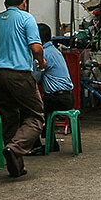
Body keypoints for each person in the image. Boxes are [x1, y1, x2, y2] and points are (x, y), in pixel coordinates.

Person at [0, 0, 46, 178]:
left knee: (9, 117)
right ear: (24, 2)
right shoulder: (26, 18)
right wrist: (42, 62)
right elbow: (36, 48)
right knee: (36, 117)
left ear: (5, 3)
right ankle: (15, 148)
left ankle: (16, 165)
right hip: (18, 75)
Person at [33, 23, 74, 153]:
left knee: (29, 109)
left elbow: (35, 77)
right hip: (67, 96)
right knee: (42, 107)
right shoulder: (54, 50)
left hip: (58, 98)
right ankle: (52, 143)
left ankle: (36, 146)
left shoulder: (44, 54)